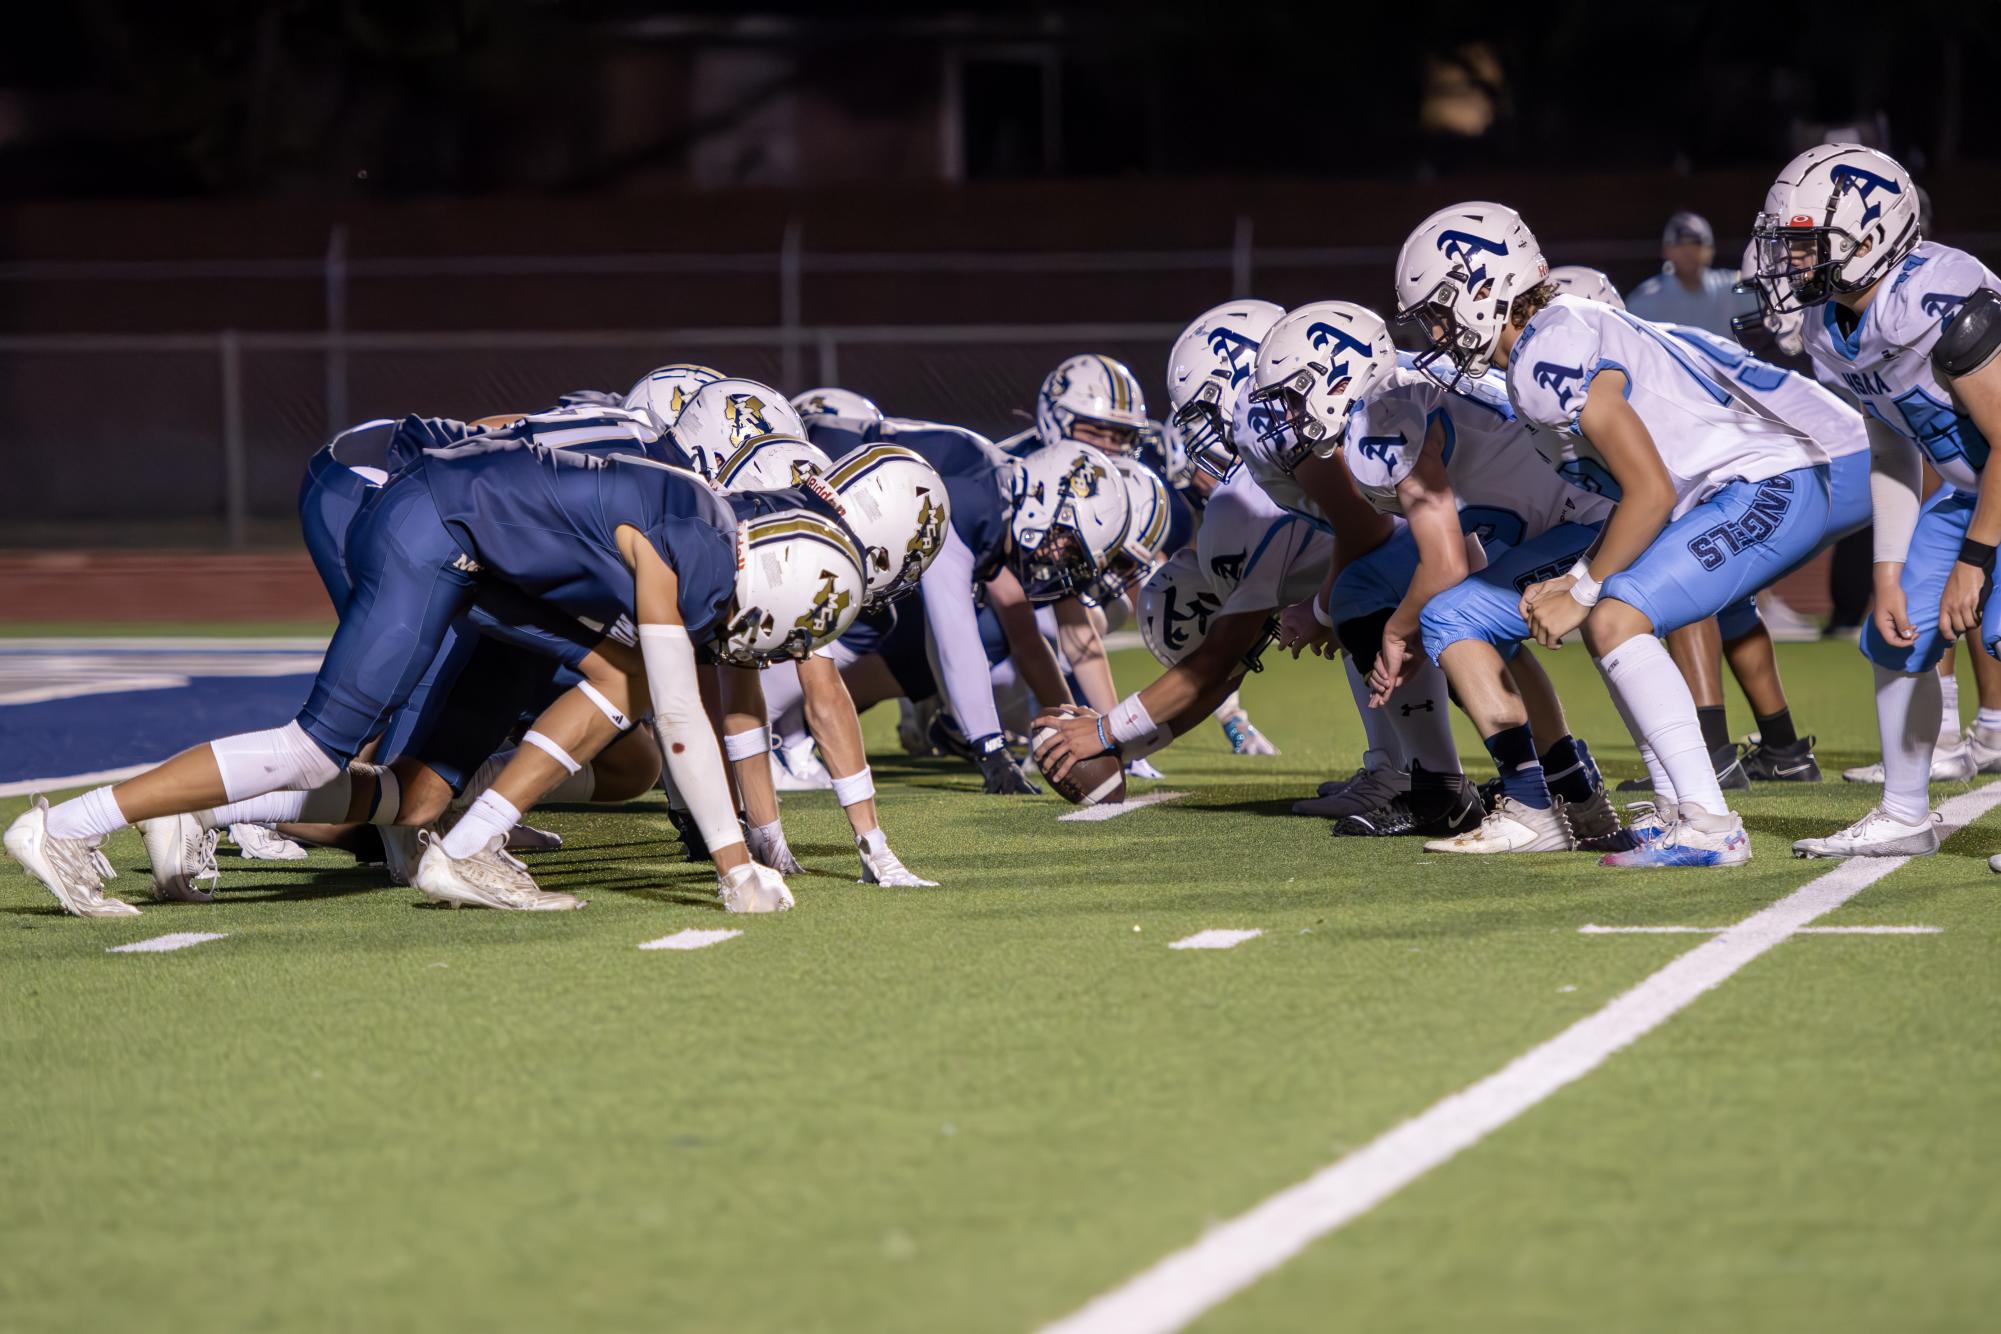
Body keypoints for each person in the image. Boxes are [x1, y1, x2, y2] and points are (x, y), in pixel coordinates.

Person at [6, 441, 865, 916]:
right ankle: (70, 827)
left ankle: (470, 845)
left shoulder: (708, 520)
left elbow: (654, 687)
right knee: (315, 750)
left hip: (478, 554)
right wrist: (732, 867)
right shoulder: (700, 556)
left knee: (590, 691)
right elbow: (682, 717)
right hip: (437, 534)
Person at [1398, 201, 1843, 867]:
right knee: (1587, 613)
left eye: (1439, 307)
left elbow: (1652, 490)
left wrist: (1578, 585)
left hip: (1764, 475)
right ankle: (1662, 802)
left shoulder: (1551, 348)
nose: (1436, 329)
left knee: (1613, 614)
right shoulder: (1543, 349)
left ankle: (1689, 809)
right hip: (1698, 494)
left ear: (1485, 287)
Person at [1747, 146, 2001, 860]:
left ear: (1870, 235)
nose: (1792, 263)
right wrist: (1887, 570)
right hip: (1968, 488)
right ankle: (1902, 812)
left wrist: (1974, 562)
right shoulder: (1832, 327)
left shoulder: (1937, 296)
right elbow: (1893, 447)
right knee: (1894, 639)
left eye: (1804, 244)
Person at [1624, 211, 1760, 339]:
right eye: (1679, 244)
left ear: (1710, 250)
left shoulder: (1732, 289)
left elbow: (1771, 299)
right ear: (1665, 251)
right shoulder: (1643, 302)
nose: (1687, 252)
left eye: (1696, 244)